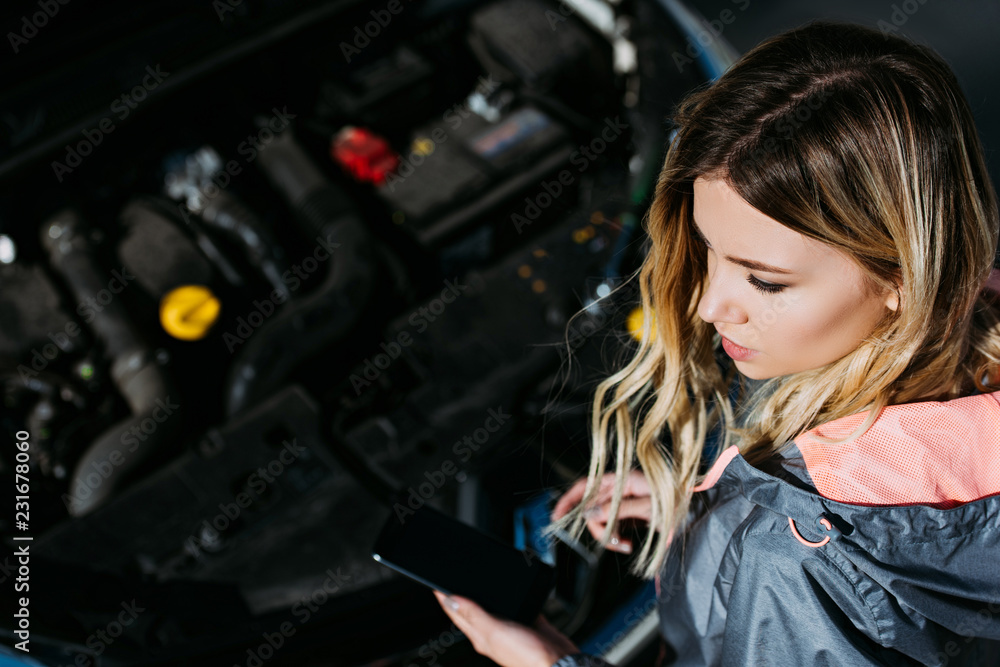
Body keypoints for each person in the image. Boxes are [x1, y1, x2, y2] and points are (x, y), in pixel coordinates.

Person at [433, 18, 1000, 666]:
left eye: (765, 280)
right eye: (710, 251)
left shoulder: (801, 554)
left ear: (905, 272)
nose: (708, 304)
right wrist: (716, 516)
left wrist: (545, 661)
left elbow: (832, 571)